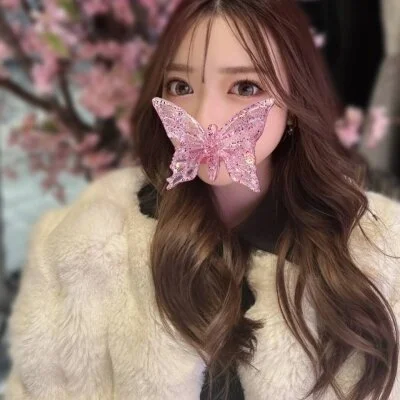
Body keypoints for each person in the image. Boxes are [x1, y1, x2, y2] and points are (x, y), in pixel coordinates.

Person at [4, 0, 400, 399]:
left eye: (245, 87)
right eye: (181, 87)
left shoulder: (381, 251)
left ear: (295, 104)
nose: (206, 118)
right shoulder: (90, 243)